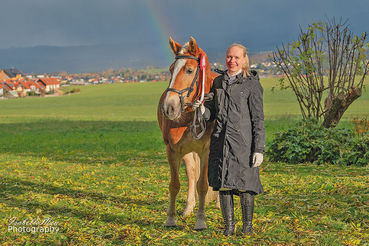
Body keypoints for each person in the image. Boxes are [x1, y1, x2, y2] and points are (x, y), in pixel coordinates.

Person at [193, 43, 265, 236]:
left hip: (244, 143)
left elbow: (258, 118)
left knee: (245, 186)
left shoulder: (251, 84)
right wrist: (202, 110)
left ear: (244, 59)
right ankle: (229, 227)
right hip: (221, 141)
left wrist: (259, 148)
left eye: (236, 57)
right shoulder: (218, 82)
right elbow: (212, 113)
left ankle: (247, 227)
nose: (232, 61)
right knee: (223, 183)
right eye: (229, 57)